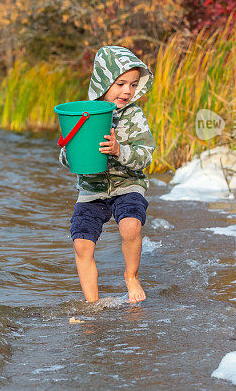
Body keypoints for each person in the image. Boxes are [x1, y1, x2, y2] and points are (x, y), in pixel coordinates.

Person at [59, 46, 155, 303]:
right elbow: (65, 157)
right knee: (81, 243)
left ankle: (131, 276)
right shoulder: (83, 114)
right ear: (103, 81)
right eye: (120, 83)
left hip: (127, 183)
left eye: (133, 85)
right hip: (92, 189)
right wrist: (72, 153)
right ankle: (92, 303)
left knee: (130, 225)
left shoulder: (133, 116)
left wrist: (119, 150)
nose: (127, 91)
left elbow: (146, 155)